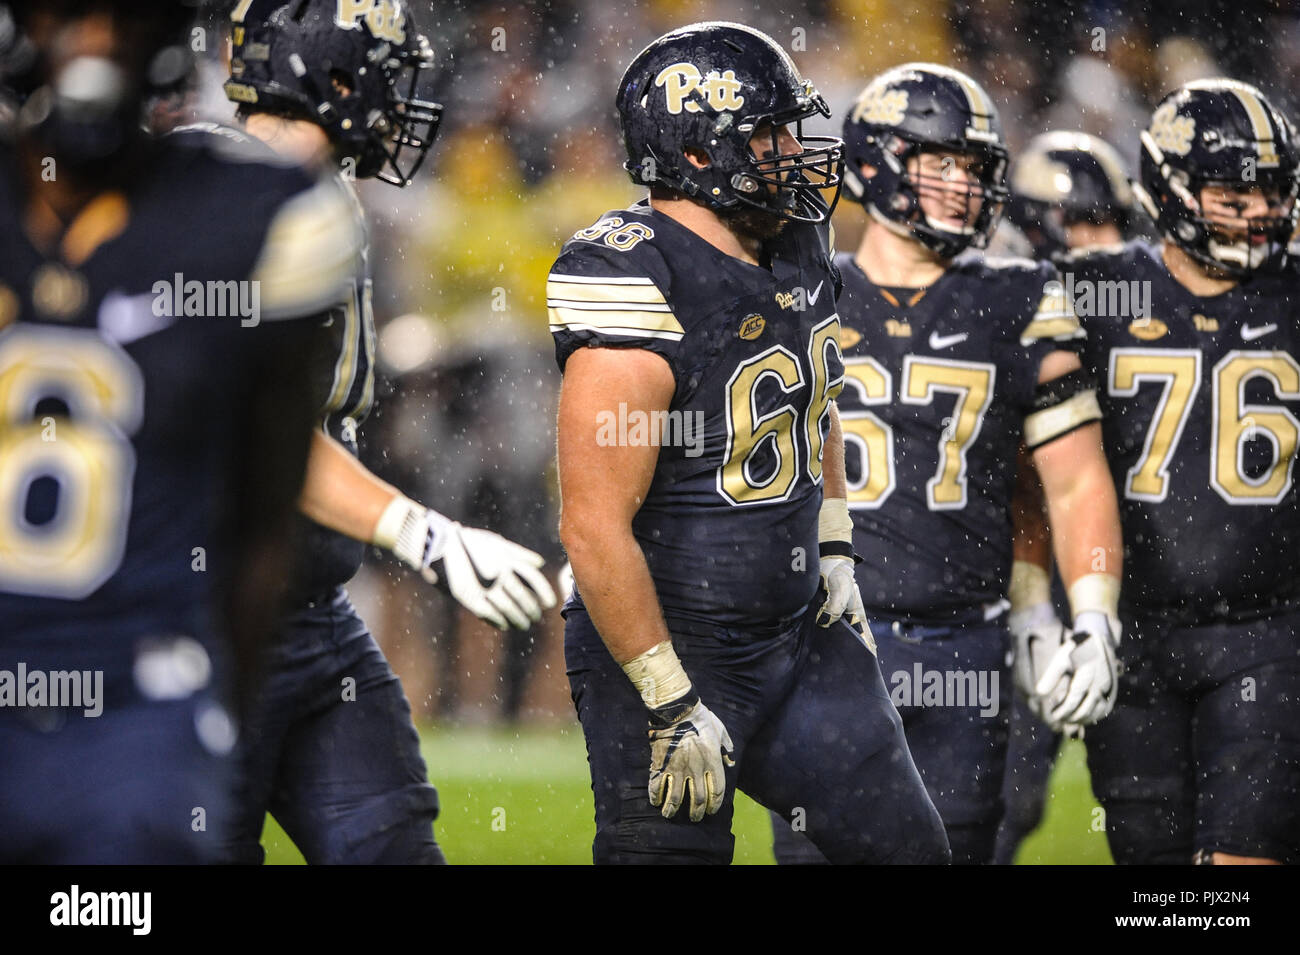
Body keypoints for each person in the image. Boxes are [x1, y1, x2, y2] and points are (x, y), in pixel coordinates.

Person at [552, 22, 950, 865]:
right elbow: (592, 525)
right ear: (697, 155)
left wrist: (835, 547)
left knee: (908, 851)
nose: (795, 152)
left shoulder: (797, 241)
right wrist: (666, 700)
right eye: (770, 134)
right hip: (673, 643)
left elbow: (818, 400)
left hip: (798, 629)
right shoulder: (634, 273)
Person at [0, 0, 358, 862]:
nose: (93, 48)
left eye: (119, 21)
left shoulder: (257, 215)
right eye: (68, 18)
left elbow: (263, 512)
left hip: (138, 707)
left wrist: (209, 705)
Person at [213, 0, 556, 864]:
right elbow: (261, 429)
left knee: (394, 849)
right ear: (331, 75)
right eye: (382, 69)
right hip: (205, 628)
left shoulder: (317, 195)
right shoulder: (215, 196)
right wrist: (424, 531)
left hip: (311, 615)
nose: (399, 99)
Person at [772, 64, 1123, 865]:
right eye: (940, 162)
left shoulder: (1022, 293)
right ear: (877, 161)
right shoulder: (800, 289)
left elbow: (1067, 479)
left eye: (972, 167)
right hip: (822, 638)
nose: (961, 185)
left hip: (964, 641)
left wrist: (1078, 614)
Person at [1021, 80, 1300, 864]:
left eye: (1272, 192)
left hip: (1268, 630)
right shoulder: (1092, 286)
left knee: (1246, 860)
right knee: (1154, 871)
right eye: (1233, 192)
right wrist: (1034, 603)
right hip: (1128, 633)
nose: (1257, 212)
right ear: (1172, 188)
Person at [996, 130, 1135, 865]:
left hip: (1141, 580)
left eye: (1110, 220)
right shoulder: (1002, 306)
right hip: (1022, 575)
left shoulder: (1139, 304)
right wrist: (1032, 604)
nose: (1103, 240)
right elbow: (1027, 484)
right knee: (998, 799)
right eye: (1082, 222)